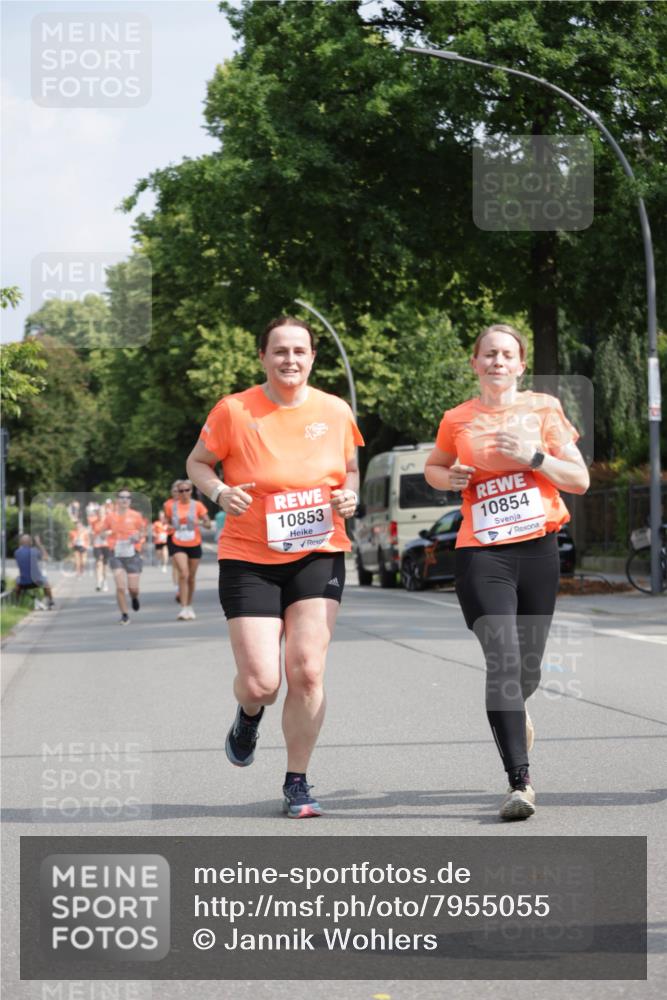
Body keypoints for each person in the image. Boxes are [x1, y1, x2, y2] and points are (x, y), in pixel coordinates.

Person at [186, 315, 363, 818]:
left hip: (318, 549)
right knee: (263, 682)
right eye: (280, 351)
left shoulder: (334, 410)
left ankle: (297, 781)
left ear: (312, 358)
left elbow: (348, 467)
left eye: (300, 351)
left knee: (307, 672)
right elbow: (197, 463)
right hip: (250, 556)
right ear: (262, 357)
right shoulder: (234, 410)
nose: (290, 359)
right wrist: (220, 490)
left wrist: (349, 493)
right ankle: (248, 714)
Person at [425, 323, 589, 821]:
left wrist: (534, 457)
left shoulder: (544, 409)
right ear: (474, 364)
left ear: (520, 365)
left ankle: (518, 710)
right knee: (503, 663)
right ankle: (520, 783)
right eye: (488, 354)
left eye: (507, 354)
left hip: (537, 551)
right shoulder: (457, 419)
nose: (497, 361)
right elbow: (434, 467)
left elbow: (578, 479)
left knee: (527, 670)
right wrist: (446, 477)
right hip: (482, 553)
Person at [163, 481, 210, 619]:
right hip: (177, 542)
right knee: (184, 573)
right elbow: (166, 521)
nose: (183, 493)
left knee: (191, 577)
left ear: (191, 491)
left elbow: (207, 523)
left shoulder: (198, 505)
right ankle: (183, 608)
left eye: (186, 490)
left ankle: (189, 605)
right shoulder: (170, 505)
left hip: (194, 542)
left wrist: (199, 523)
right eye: (181, 490)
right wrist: (168, 526)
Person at [102, 488, 147, 625]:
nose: (124, 500)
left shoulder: (136, 515)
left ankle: (134, 597)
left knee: (133, 588)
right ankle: (125, 614)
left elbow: (143, 532)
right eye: (121, 497)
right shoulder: (110, 516)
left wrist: (138, 537)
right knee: (120, 587)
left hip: (133, 553)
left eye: (127, 497)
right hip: (116, 554)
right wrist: (107, 533)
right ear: (117, 500)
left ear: (130, 501)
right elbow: (102, 532)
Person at [13, 534, 54, 608]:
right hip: (37, 581)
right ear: (30, 542)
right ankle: (50, 601)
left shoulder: (17, 553)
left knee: (17, 581)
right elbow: (46, 557)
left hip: (23, 583)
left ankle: (16, 603)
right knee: (47, 583)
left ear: (21, 543)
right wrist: (39, 544)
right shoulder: (34, 551)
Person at [87, 503, 110, 592]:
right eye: (99, 512)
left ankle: (105, 582)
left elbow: (112, 530)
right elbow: (91, 532)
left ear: (105, 512)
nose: (101, 513)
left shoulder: (108, 521)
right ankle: (98, 582)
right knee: (98, 563)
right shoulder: (94, 522)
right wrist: (92, 537)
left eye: (102, 512)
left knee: (105, 565)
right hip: (97, 544)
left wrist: (106, 533)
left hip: (106, 544)